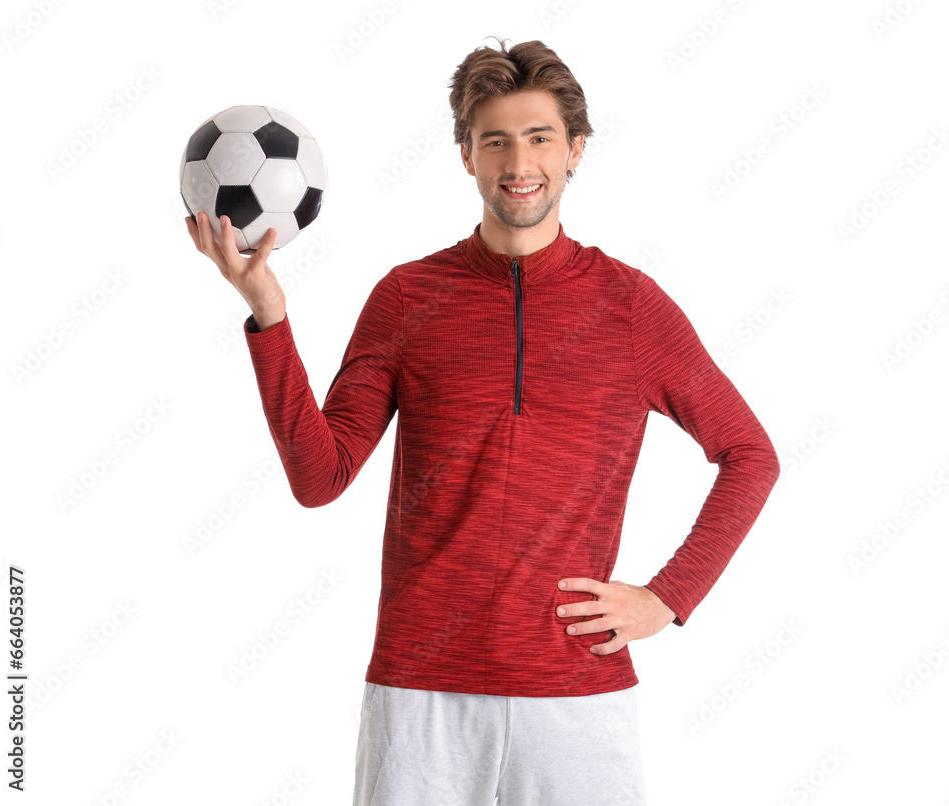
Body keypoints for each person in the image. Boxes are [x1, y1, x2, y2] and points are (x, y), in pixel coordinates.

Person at [186, 35, 779, 806]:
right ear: (466, 155)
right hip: (420, 698)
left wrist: (666, 598)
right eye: (494, 140)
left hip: (577, 696)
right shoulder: (406, 299)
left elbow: (749, 453)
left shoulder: (631, 307)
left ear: (576, 151)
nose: (517, 161)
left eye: (539, 138)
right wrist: (269, 315)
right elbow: (319, 477)